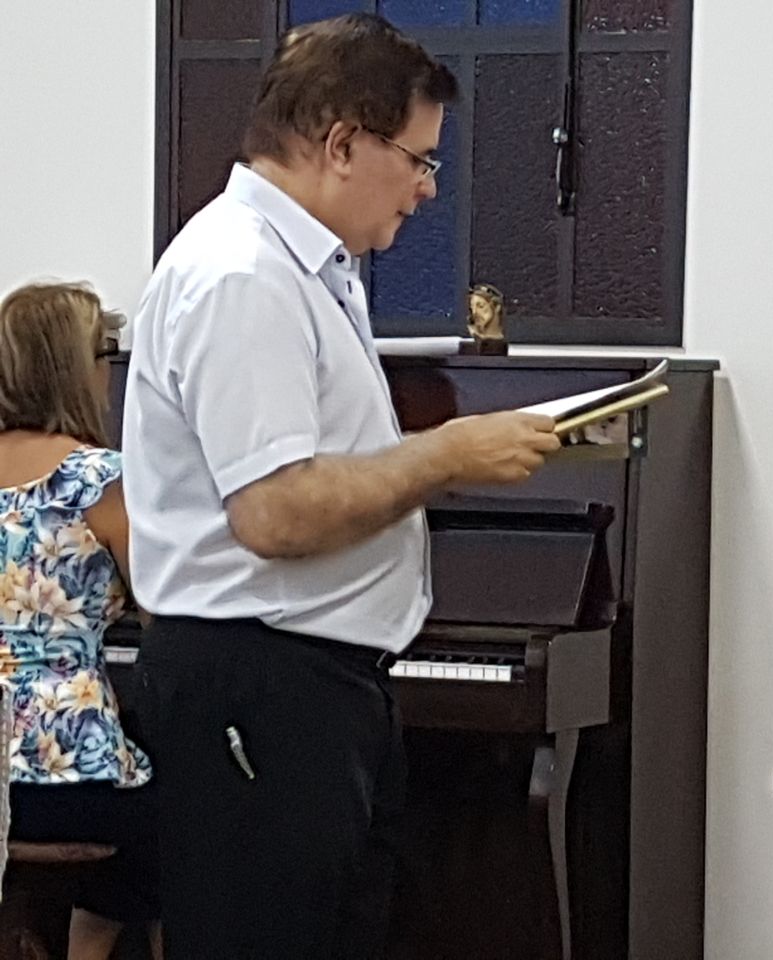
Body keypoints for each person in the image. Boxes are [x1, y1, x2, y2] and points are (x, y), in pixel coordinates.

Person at [121, 13, 560, 960]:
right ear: (342, 143)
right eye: (418, 158)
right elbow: (275, 511)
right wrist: (448, 455)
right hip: (260, 682)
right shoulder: (241, 275)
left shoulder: (310, 267)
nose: (429, 187)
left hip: (317, 684)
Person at [0, 281, 160, 960]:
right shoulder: (100, 478)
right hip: (63, 780)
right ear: (76, 367)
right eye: (106, 354)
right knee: (187, 812)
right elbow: (163, 618)